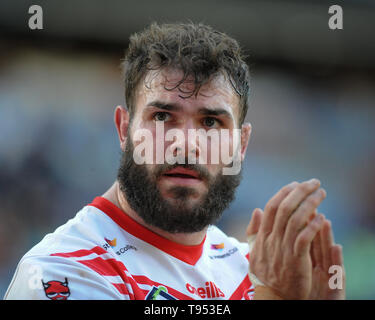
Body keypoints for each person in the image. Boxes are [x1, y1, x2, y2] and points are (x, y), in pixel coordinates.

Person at [4, 22, 345, 300]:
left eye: (211, 122)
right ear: (124, 129)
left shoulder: (251, 267)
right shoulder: (61, 273)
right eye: (163, 117)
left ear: (241, 145)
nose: (186, 143)